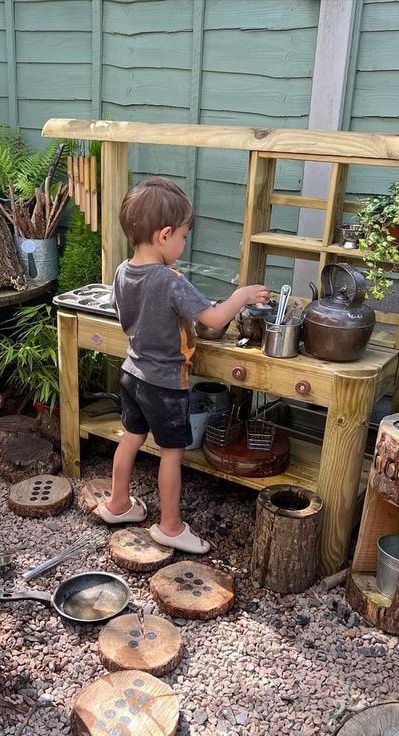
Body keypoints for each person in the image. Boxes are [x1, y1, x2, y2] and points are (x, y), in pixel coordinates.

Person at [95, 176, 270, 554]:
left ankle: (118, 504)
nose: (184, 244)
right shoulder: (170, 280)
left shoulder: (123, 271)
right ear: (165, 235)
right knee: (172, 453)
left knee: (131, 439)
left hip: (133, 373)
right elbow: (214, 320)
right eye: (184, 237)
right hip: (165, 384)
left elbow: (128, 316)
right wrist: (241, 295)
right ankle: (171, 527)